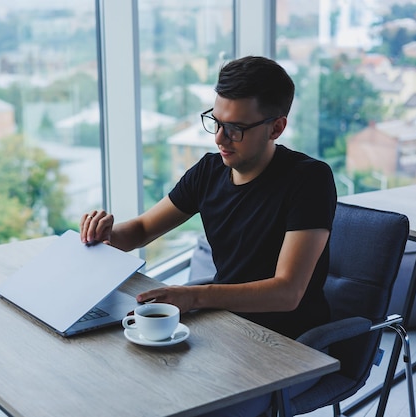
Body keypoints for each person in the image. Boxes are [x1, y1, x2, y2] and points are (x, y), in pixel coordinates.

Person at [80, 55, 336, 342]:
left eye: (236, 128)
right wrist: (104, 235)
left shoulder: (309, 180)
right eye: (216, 122)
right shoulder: (209, 171)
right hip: (225, 323)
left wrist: (193, 297)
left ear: (276, 128)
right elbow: (142, 230)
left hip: (287, 340)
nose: (219, 139)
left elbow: (287, 293)